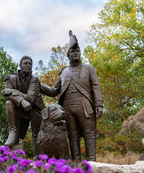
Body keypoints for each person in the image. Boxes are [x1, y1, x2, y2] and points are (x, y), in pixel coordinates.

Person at [41, 30, 103, 161]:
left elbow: (95, 86)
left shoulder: (88, 68)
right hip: (67, 107)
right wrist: (38, 84)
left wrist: (98, 104)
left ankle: (92, 161)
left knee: (89, 133)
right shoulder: (64, 73)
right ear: (68, 54)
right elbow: (53, 91)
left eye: (78, 51)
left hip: (84, 105)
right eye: (73, 51)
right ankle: (75, 162)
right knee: (72, 135)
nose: (76, 53)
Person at [1, 56, 45, 157]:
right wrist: (21, 101)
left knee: (37, 135)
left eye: (30, 64)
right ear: (20, 65)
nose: (28, 65)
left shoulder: (34, 79)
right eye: (25, 63)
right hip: (20, 108)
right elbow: (6, 95)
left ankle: (38, 158)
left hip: (35, 108)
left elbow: (30, 98)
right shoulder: (10, 78)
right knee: (9, 102)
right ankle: (13, 133)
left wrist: (13, 91)